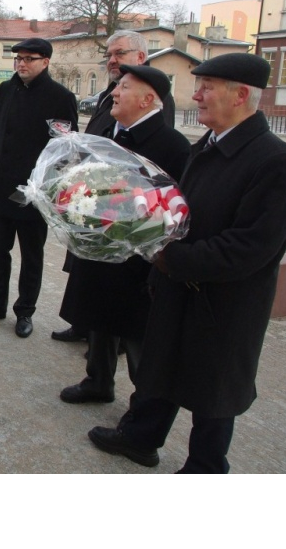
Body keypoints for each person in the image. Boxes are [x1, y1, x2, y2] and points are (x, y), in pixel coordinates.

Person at [87, 53, 286, 473]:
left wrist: (172, 257)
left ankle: (205, 466)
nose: (195, 96)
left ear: (240, 95)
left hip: (225, 302)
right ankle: (141, 437)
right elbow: (181, 211)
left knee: (213, 391)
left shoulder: (275, 160)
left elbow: (251, 247)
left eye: (206, 88)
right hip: (178, 284)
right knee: (162, 367)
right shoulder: (209, 144)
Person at [57, 66, 190, 406]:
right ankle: (97, 381)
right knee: (99, 320)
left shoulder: (171, 145)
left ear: (148, 100)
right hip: (99, 249)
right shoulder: (109, 132)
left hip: (138, 260)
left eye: (124, 87)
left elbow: (173, 205)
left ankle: (144, 404)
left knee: (136, 336)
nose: (114, 92)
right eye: (116, 86)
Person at [52, 30, 175, 343]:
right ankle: (90, 341)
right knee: (93, 296)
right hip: (99, 215)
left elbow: (152, 176)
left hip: (123, 226)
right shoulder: (111, 93)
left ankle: (107, 348)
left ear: (140, 57)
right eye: (109, 55)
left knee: (119, 313)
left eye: (119, 53)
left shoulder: (158, 101)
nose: (112, 60)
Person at [0, 38, 78, 338]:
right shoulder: (6, 90)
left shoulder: (60, 97)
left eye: (29, 58)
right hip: (1, 189)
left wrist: (43, 183)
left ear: (45, 62)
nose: (22, 64)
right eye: (18, 59)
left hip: (33, 195)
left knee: (32, 256)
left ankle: (25, 312)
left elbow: (65, 148)